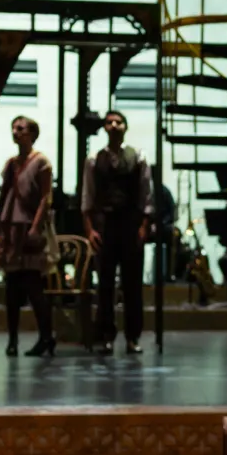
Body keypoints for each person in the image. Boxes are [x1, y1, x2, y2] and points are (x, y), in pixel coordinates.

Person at [81, 110, 153, 355]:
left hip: (130, 225)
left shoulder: (138, 157)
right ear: (104, 128)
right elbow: (87, 197)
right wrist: (90, 229)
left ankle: (133, 337)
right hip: (106, 225)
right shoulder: (94, 159)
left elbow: (146, 195)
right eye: (109, 122)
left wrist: (144, 226)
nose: (113, 125)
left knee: (132, 285)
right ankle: (106, 335)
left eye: (118, 122)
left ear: (125, 127)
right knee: (105, 285)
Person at [0, 116, 55, 357]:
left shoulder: (41, 162)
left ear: (32, 134)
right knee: (12, 287)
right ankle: (13, 339)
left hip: (28, 225)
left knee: (33, 284)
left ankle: (46, 336)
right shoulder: (11, 163)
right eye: (14, 128)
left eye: (21, 129)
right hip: (11, 227)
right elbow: (3, 194)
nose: (16, 132)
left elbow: (45, 197)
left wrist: (35, 227)